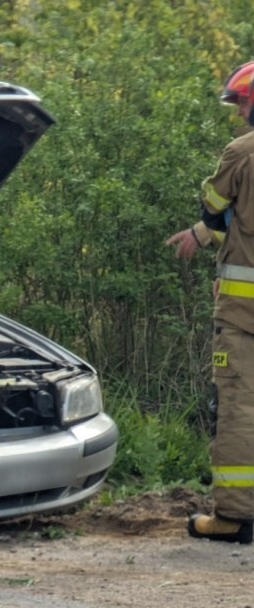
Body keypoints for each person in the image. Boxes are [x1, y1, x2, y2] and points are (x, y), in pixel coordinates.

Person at [166, 61, 254, 544]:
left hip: (245, 317)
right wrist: (202, 236)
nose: (239, 109)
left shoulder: (242, 152)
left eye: (243, 100)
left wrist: (204, 227)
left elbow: (217, 205)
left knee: (240, 409)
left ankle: (236, 516)